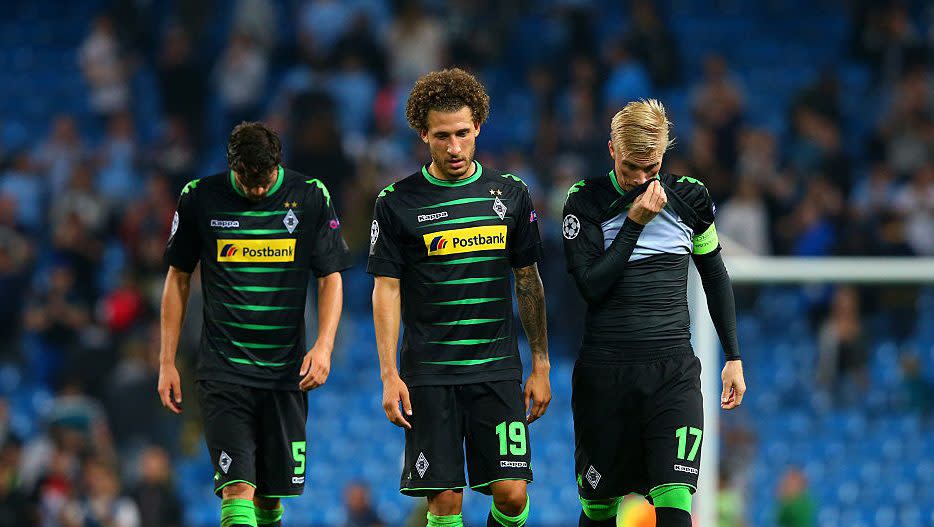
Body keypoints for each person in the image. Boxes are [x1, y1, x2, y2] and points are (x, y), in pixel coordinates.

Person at [368, 68, 550, 527]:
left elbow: (528, 279)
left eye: (463, 134)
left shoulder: (510, 194)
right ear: (422, 133)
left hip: (496, 368)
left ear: (478, 128)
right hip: (430, 374)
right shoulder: (396, 202)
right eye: (443, 136)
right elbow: (386, 289)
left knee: (511, 495)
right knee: (445, 502)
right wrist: (389, 375)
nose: (454, 147)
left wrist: (541, 364)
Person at [561, 99, 746, 527]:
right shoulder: (585, 200)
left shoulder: (692, 198)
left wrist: (733, 356)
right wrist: (635, 223)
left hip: (672, 373)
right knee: (600, 509)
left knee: (678, 503)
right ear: (611, 150)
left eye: (653, 168)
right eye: (632, 169)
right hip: (605, 375)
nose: (643, 181)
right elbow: (591, 286)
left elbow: (716, 277)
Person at [159, 122, 351, 527]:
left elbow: (331, 276)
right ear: (233, 166)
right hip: (223, 370)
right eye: (247, 179)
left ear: (277, 164)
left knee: (268, 499)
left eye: (263, 179)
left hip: (286, 373)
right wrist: (166, 361)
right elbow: (177, 278)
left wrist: (324, 346)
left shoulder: (310, 196)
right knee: (237, 489)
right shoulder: (200, 198)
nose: (257, 189)